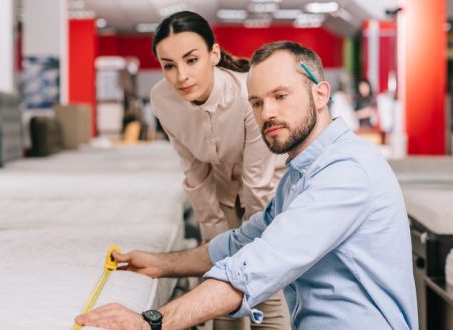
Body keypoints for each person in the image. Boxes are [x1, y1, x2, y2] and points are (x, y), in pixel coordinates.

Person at [74, 41, 418, 330]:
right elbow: (241, 242)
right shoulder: (299, 174)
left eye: (280, 96)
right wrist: (163, 264)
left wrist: (151, 321)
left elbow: (258, 265)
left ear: (320, 94)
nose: (267, 112)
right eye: (256, 102)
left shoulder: (346, 172)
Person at [147, 11, 289, 329]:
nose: (181, 76)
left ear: (213, 54)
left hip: (270, 188)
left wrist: (256, 250)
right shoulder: (162, 99)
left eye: (191, 60)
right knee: (218, 284)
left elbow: (259, 183)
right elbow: (195, 172)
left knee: (265, 287)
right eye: (168, 65)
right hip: (223, 187)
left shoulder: (247, 94)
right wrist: (215, 244)